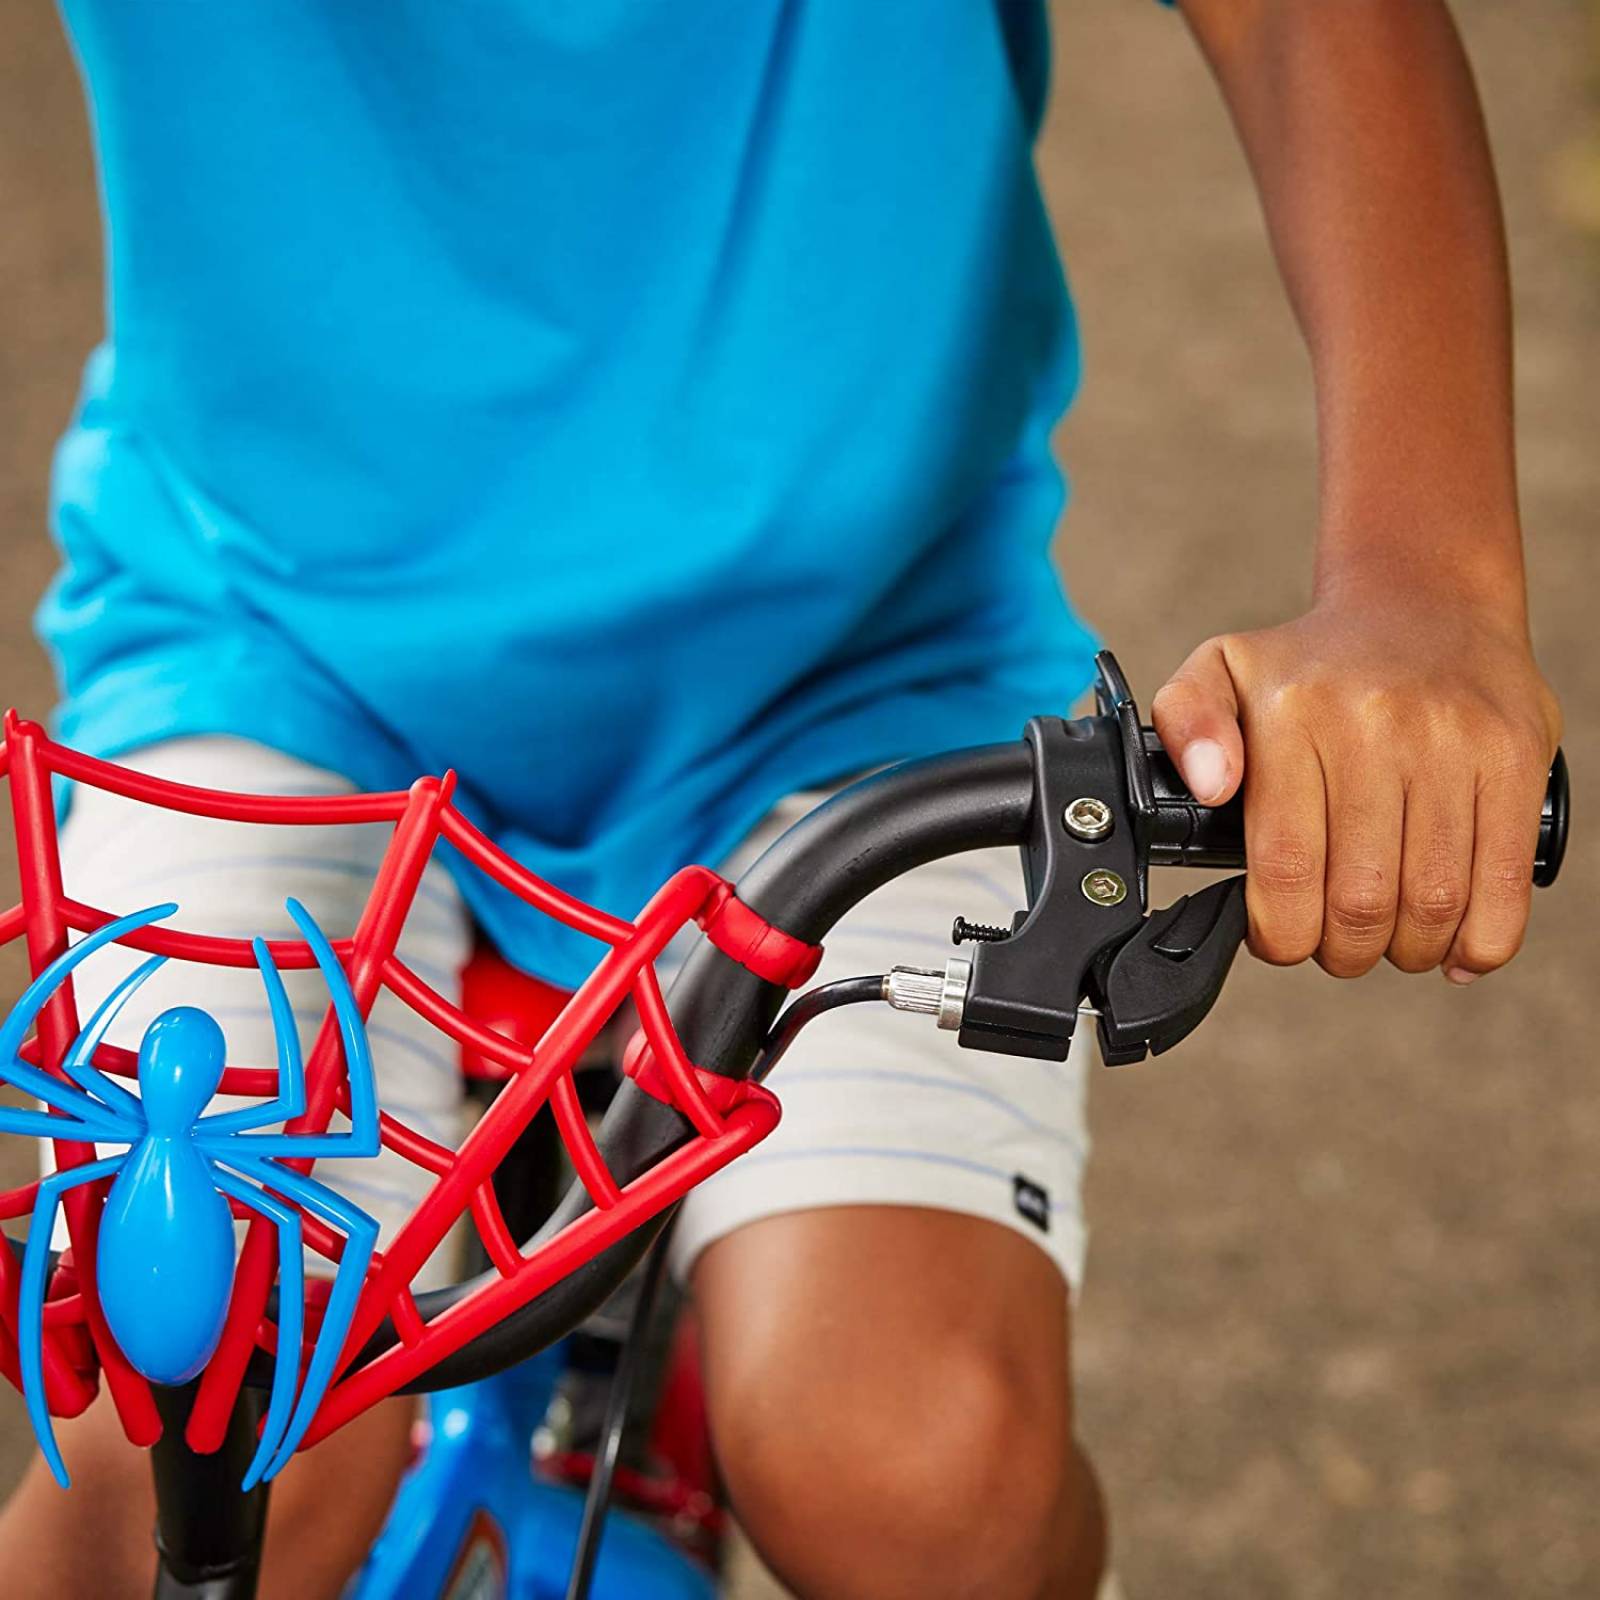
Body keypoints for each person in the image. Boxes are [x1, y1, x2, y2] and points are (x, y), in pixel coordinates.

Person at [0, 2, 1561, 1597]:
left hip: (861, 665)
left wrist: (1418, 576)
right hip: (271, 643)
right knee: (177, 1445)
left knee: (913, 1471)